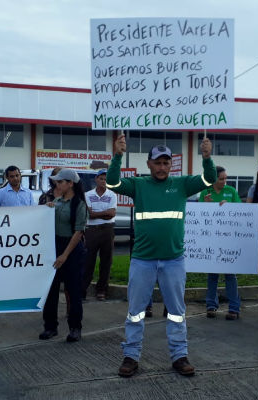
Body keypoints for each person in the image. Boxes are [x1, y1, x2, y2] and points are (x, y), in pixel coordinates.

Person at [107, 134, 216, 378]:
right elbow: (113, 183)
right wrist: (117, 155)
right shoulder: (139, 185)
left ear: (171, 165)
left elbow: (209, 180)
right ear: (149, 164)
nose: (162, 167)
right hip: (143, 261)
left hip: (173, 261)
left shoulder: (182, 184)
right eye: (157, 162)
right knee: (136, 311)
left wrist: (207, 157)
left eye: (166, 162)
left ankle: (180, 355)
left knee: (177, 311)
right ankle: (131, 356)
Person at [39, 168, 87, 343]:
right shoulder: (56, 201)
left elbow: (78, 232)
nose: (56, 184)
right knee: (50, 290)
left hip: (72, 250)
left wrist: (64, 255)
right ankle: (50, 326)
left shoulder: (79, 204)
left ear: (70, 184)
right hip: (55, 247)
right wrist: (48, 209)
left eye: (60, 182)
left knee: (73, 291)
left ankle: (75, 328)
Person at [198, 166, 241, 320]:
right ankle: (211, 305)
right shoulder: (205, 192)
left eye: (225, 178)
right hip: (211, 239)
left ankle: (234, 308)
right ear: (213, 179)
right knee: (212, 274)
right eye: (221, 178)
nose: (224, 181)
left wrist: (229, 207)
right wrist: (205, 205)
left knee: (230, 275)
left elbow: (240, 213)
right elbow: (198, 216)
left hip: (228, 239)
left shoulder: (232, 191)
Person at [82, 169, 116, 300]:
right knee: (88, 261)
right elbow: (89, 214)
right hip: (91, 230)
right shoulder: (88, 195)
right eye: (101, 178)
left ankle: (101, 290)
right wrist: (103, 213)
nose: (103, 181)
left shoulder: (112, 195)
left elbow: (112, 214)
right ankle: (82, 289)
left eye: (105, 179)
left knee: (106, 261)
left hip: (108, 230)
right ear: (96, 179)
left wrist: (96, 213)